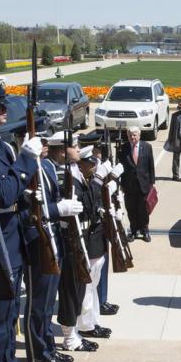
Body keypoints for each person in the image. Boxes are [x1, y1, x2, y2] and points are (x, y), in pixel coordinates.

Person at [0, 87, 46, 362]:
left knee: (10, 312)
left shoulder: (1, 145)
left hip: (12, 238)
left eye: (4, 103)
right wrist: (27, 159)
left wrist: (28, 194)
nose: (4, 108)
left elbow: (14, 192)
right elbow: (4, 193)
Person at [21, 137, 80, 362]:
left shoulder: (46, 166)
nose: (44, 145)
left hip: (51, 239)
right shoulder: (29, 167)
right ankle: (38, 353)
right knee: (38, 302)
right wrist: (56, 209)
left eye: (46, 141)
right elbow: (27, 210)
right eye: (41, 141)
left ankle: (47, 348)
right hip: (37, 241)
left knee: (46, 303)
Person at [47, 132, 99, 353]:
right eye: (74, 146)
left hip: (78, 239)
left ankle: (74, 333)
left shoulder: (71, 172)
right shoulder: (57, 174)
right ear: (61, 150)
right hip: (66, 240)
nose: (78, 149)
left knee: (78, 287)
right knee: (69, 289)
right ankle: (69, 336)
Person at [76, 146, 112, 340]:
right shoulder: (82, 182)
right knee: (88, 286)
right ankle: (86, 325)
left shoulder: (88, 180)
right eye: (90, 164)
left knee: (94, 284)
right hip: (88, 240)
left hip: (97, 239)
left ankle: (93, 321)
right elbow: (89, 208)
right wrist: (98, 181)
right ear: (81, 165)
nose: (94, 167)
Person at [118, 126, 155, 242]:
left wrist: (152, 183)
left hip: (144, 185)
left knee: (143, 210)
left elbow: (151, 166)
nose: (132, 137)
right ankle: (133, 231)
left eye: (134, 135)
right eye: (130, 135)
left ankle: (145, 230)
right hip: (129, 185)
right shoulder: (123, 148)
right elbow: (120, 168)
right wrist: (121, 185)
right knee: (131, 209)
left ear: (139, 135)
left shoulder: (147, 147)